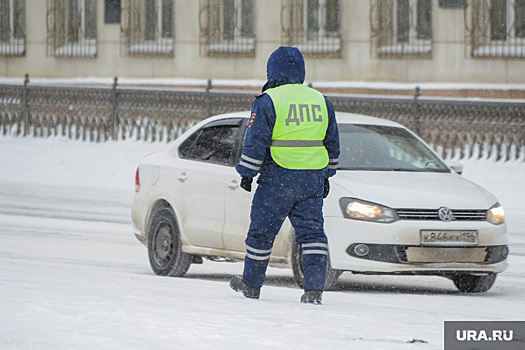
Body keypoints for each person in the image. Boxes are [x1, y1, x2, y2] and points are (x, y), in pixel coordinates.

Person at [229, 46, 340, 304]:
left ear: (272, 70)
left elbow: (256, 141)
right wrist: (327, 175)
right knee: (313, 236)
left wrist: (247, 172)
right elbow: (332, 144)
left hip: (277, 178)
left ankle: (251, 285)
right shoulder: (321, 101)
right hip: (311, 180)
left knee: (261, 234)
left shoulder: (268, 100)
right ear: (301, 71)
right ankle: (314, 290)